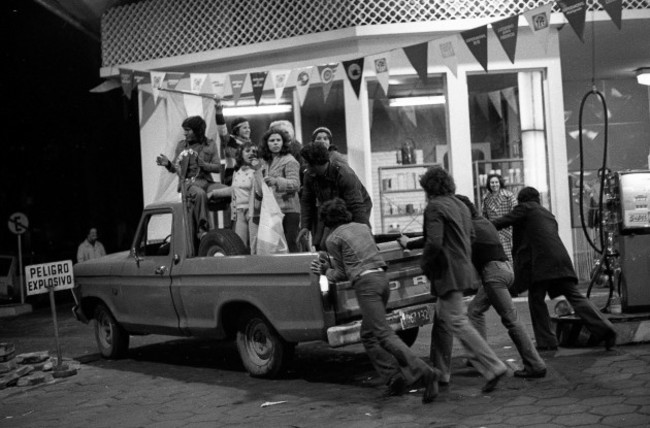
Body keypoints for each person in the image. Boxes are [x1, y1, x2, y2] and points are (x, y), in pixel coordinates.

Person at [311, 198, 440, 403]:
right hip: (383, 280)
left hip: (366, 285)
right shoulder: (362, 227)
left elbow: (342, 273)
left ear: (326, 221)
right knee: (369, 335)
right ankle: (394, 377)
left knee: (383, 334)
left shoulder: (333, 239)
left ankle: (424, 372)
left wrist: (325, 270)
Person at [412, 166, 508, 393]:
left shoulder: (435, 207)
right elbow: (471, 236)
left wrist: (424, 264)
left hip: (448, 272)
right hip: (464, 269)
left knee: (456, 321)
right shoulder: (460, 205)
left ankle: (493, 365)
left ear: (429, 187)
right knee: (446, 318)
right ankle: (439, 373)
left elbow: (434, 242)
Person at [492, 186, 617, 351]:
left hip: (541, 264)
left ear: (522, 200)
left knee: (536, 300)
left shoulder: (526, 208)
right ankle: (606, 330)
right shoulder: (547, 214)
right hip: (561, 261)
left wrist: (478, 225)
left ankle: (547, 341)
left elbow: (501, 222)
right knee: (575, 297)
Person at [455, 194, 547, 379]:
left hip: (493, 274)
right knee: (474, 310)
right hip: (505, 268)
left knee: (511, 320)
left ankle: (535, 364)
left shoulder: (469, 227)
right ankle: (481, 358)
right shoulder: (484, 222)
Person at [156, 115, 222, 239]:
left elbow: (218, 167)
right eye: (184, 130)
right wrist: (168, 164)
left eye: (187, 130)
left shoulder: (210, 144)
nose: (184, 133)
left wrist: (205, 165)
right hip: (188, 184)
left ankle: (232, 228)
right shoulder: (181, 146)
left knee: (230, 190)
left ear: (197, 130)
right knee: (200, 194)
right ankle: (203, 229)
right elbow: (174, 168)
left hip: (206, 182)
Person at [298, 142, 372, 250]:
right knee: (322, 244)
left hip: (356, 206)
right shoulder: (310, 175)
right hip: (333, 208)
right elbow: (307, 201)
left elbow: (356, 206)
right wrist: (305, 226)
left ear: (317, 163)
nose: (307, 167)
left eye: (309, 164)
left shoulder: (344, 174)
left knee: (349, 241)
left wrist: (366, 236)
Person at [209, 142, 264, 253]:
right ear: (241, 154)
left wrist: (258, 171)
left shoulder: (257, 171)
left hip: (253, 212)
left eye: (254, 151)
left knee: (255, 242)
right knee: (239, 243)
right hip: (239, 212)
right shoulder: (237, 172)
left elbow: (261, 190)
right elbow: (233, 190)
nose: (251, 154)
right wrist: (214, 193)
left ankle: (258, 265)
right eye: (247, 151)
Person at [258, 127, 301, 252]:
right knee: (274, 246)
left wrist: (276, 181)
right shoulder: (265, 163)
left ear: (283, 143)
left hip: (289, 210)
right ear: (266, 144)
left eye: (278, 140)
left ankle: (296, 270)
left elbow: (295, 184)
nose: (275, 143)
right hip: (272, 211)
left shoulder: (290, 160)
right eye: (272, 140)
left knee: (290, 243)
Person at [482, 174, 517, 262]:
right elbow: (484, 216)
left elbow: (515, 213)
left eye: (496, 182)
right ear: (489, 184)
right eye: (492, 182)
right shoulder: (486, 198)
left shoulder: (509, 196)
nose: (494, 185)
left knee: (510, 258)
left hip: (508, 232)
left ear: (500, 183)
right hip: (494, 233)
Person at [215, 100, 251, 186]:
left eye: (249, 127)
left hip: (249, 176)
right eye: (244, 128)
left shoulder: (250, 144)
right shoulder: (229, 140)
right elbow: (222, 128)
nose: (248, 130)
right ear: (236, 130)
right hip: (232, 176)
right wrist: (219, 112)